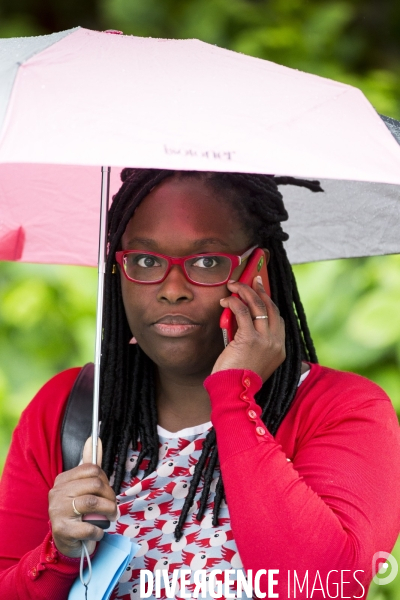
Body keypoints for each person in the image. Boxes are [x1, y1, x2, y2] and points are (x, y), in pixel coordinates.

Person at [0, 168, 399, 600]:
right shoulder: (70, 407)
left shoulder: (344, 409)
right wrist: (58, 554)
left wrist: (233, 397)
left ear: (256, 272)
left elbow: (323, 586)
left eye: (206, 262)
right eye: (146, 260)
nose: (172, 290)